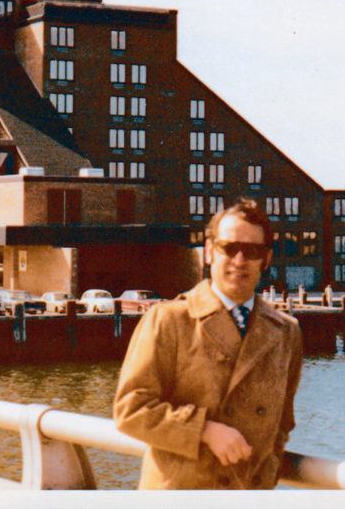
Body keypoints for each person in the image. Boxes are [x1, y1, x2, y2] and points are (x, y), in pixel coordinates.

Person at [113, 198, 303, 489]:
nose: (240, 261)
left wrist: (268, 470)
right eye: (230, 248)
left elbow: (283, 422)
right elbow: (130, 410)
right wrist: (203, 430)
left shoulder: (286, 332)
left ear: (266, 259)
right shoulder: (169, 320)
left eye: (252, 251)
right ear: (210, 252)